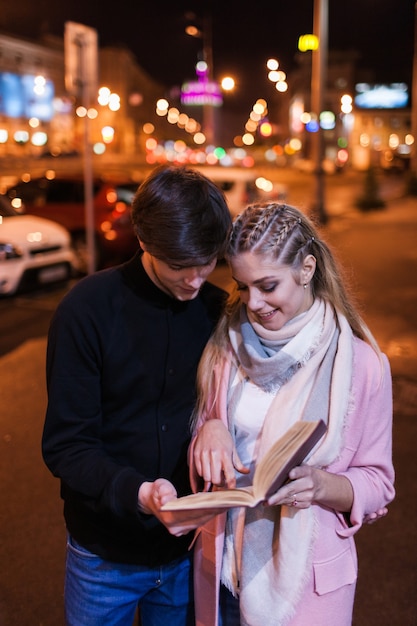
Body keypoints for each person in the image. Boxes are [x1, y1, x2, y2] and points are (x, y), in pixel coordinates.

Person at [41, 164, 232, 626]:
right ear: (143, 240)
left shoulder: (216, 309)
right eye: (179, 266)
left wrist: (217, 419)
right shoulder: (86, 311)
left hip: (188, 550)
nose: (195, 279)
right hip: (104, 555)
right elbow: (67, 446)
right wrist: (140, 494)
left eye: (207, 263)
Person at [187, 202, 395, 626]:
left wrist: (323, 486)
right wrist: (207, 429)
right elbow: (206, 449)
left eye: (268, 285)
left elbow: (378, 483)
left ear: (306, 268)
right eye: (243, 287)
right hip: (224, 572)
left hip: (305, 590)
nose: (254, 303)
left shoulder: (361, 365)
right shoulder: (225, 348)